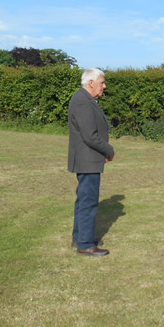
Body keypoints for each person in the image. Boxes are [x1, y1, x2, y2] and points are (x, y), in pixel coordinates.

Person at [68, 68, 114, 256]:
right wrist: (109, 150)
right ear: (91, 82)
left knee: (83, 200)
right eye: (102, 82)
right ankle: (85, 244)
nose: (104, 86)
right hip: (87, 159)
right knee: (88, 201)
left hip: (88, 158)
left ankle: (80, 237)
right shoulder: (82, 101)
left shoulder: (84, 99)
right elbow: (90, 136)